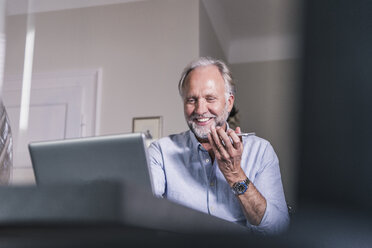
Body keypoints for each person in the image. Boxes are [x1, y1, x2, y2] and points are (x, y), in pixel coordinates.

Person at [148, 57, 289, 235]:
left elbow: (277, 230)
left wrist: (235, 175)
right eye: (191, 100)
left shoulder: (261, 151)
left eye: (210, 98)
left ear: (229, 102)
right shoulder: (160, 152)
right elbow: (139, 208)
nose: (200, 110)